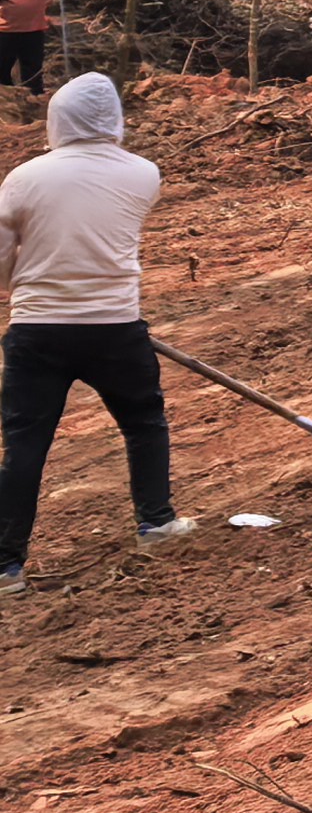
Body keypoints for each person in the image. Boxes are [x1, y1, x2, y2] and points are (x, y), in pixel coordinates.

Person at [0, 75, 186, 594]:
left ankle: (5, 566)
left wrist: (25, 286)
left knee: (24, 446)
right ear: (116, 119)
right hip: (115, 327)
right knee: (144, 423)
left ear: (57, 119)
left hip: (38, 330)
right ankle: (157, 521)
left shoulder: (23, 178)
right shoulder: (144, 173)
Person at [0, 0, 53, 100]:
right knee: (2, 66)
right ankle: (6, 97)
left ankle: (34, 98)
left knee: (33, 67)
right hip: (6, 30)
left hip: (33, 30)